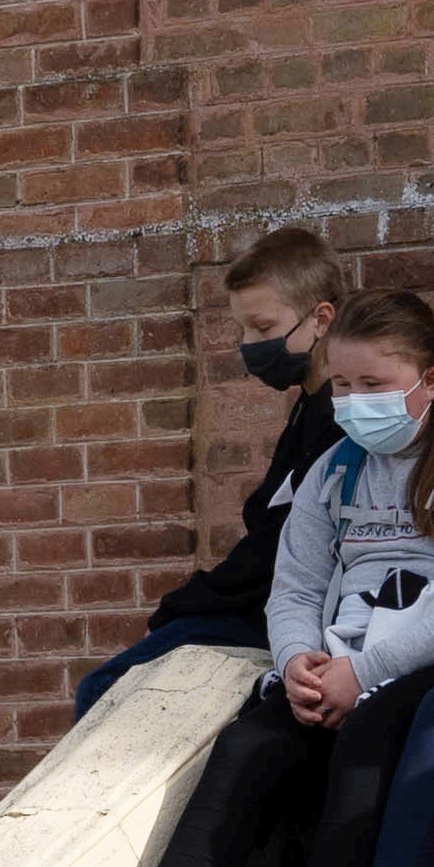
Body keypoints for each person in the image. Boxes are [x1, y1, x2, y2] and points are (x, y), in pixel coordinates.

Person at [81, 291, 434, 867]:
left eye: (374, 385)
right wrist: (297, 661)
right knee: (248, 742)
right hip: (337, 659)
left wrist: (367, 670)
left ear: (431, 380)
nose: (353, 401)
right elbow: (292, 586)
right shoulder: (335, 467)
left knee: (373, 732)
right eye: (344, 384)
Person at [75, 226, 348, 715]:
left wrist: (192, 601)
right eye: (243, 330)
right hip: (262, 609)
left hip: (282, 618)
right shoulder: (310, 407)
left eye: (263, 329)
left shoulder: (336, 419)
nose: (249, 345)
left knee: (103, 692)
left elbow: (283, 546)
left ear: (321, 319)